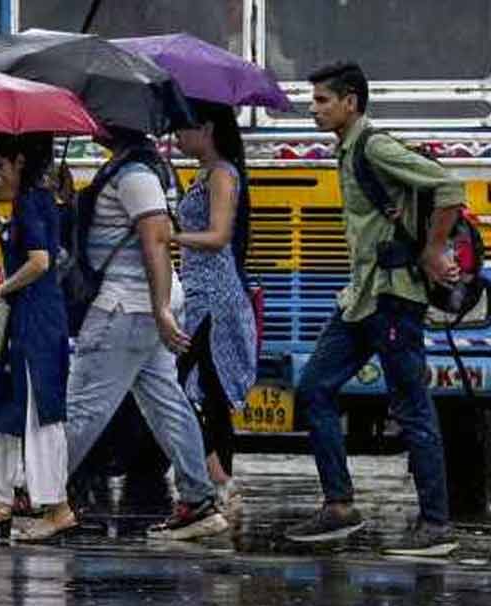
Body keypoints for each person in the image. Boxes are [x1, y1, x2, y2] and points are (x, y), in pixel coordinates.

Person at [286, 62, 463, 555]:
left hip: (393, 298)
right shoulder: (345, 150)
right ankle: (339, 506)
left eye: (322, 100)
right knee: (313, 388)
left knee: (411, 406)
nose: (314, 109)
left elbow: (449, 188)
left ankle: (436, 524)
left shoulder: (374, 146)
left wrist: (434, 249)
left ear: (351, 102)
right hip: (360, 299)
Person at [64, 124, 229, 541]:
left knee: (83, 407)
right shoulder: (139, 168)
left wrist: (160, 309)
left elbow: (155, 240)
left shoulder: (135, 174)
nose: (92, 122)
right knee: (166, 403)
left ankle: (37, 496)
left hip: (126, 307)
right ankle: (198, 500)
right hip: (140, 307)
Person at [0, 132, 75, 542]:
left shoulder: (31, 201)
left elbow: (39, 262)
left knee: (38, 417)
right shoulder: (33, 201)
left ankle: (56, 508)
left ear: (21, 161)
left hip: (34, 324)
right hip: (26, 323)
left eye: (1, 164)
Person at [172, 101, 258, 508]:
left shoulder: (222, 174)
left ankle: (219, 478)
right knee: (208, 389)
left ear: (207, 129)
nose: (177, 136)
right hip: (196, 292)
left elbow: (219, 235)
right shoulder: (202, 174)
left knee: (179, 385)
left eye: (183, 128)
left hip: (214, 297)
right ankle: (221, 482)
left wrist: (169, 238)